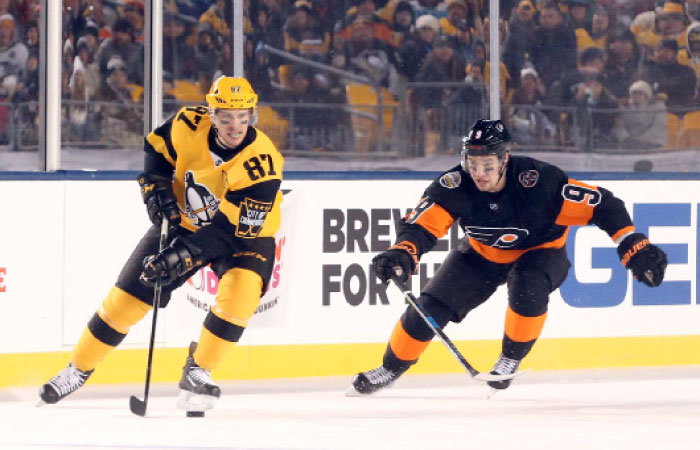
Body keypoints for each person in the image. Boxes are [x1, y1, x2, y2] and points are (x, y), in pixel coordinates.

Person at [348, 119, 667, 396]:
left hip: (542, 253)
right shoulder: (454, 185)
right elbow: (422, 224)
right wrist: (402, 251)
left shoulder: (540, 182)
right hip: (480, 256)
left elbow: (604, 205)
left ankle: (510, 357)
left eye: (487, 165)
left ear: (504, 160)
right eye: (473, 165)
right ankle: (389, 369)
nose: (479, 174)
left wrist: (632, 244)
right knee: (428, 307)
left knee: (527, 285)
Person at [38, 76, 284, 412]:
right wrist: (155, 188)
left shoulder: (264, 163)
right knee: (127, 297)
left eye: (243, 116)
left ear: (253, 115)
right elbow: (156, 149)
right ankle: (77, 368)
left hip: (244, 236)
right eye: (226, 116)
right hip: (184, 221)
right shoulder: (187, 123)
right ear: (211, 114)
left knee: (242, 293)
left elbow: (231, 232)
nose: (235, 125)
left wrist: (181, 256)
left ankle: (198, 370)